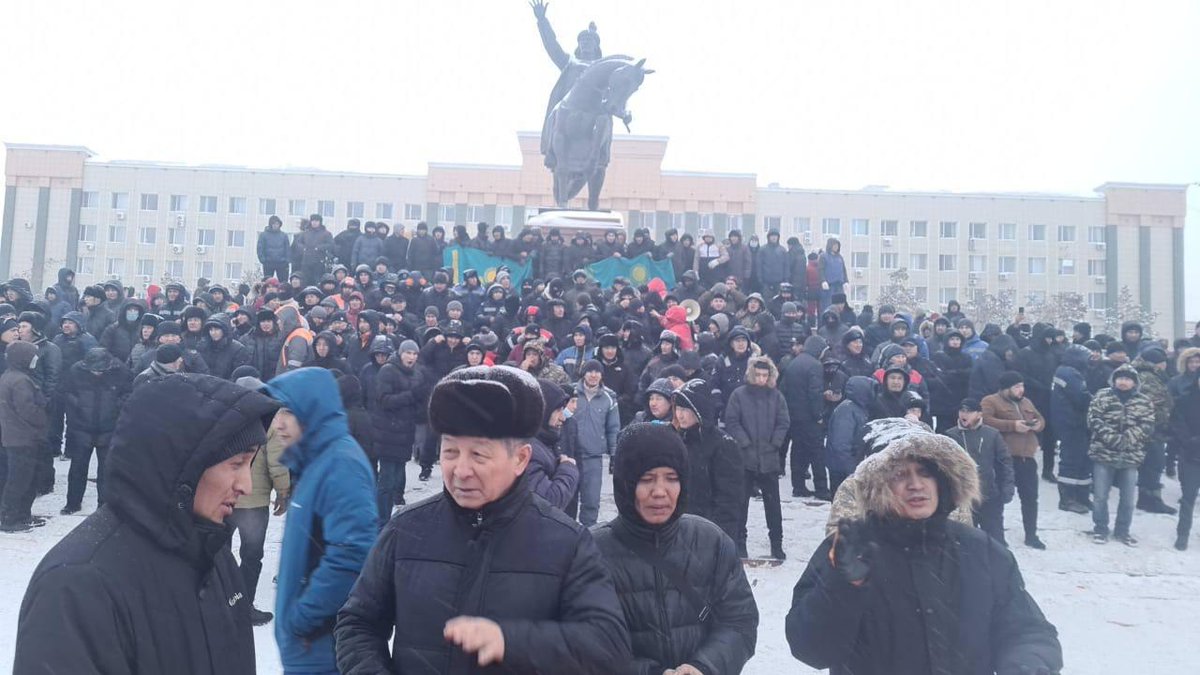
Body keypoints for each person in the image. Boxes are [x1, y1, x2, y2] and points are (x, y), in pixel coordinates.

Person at [335, 365, 631, 674]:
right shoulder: (406, 529)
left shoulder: (566, 542)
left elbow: (608, 648)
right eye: (450, 452)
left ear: (520, 459)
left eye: (479, 455)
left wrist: (511, 641)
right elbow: (358, 623)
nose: (461, 470)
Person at [14, 373, 278, 672]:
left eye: (252, 463)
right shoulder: (75, 587)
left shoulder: (212, 551)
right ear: (179, 462)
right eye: (236, 464)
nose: (245, 484)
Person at [785, 425, 1063, 675]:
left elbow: (1027, 629)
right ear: (878, 487)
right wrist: (842, 587)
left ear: (942, 481)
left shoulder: (981, 550)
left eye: (925, 473)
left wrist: (1027, 662)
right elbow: (811, 650)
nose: (915, 485)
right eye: (899, 475)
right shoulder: (849, 549)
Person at [592, 423, 759, 675]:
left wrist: (704, 665)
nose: (660, 492)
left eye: (672, 478)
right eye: (646, 479)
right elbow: (586, 642)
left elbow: (739, 621)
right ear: (626, 485)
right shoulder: (592, 552)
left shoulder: (711, 541)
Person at [261, 367, 376, 674]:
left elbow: (352, 550)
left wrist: (304, 618)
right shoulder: (316, 461)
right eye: (277, 413)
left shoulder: (340, 464)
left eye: (288, 411)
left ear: (313, 409)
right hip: (308, 645)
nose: (279, 424)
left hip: (322, 645)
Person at [227, 374, 291, 626]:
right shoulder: (271, 423)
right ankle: (244, 606)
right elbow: (277, 463)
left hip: (226, 496)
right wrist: (283, 492)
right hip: (254, 500)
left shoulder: (224, 419)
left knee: (218, 552)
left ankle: (219, 601)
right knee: (251, 556)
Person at [723, 356, 790, 560]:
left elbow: (783, 422)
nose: (761, 378)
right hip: (745, 458)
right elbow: (732, 421)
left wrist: (775, 444)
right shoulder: (739, 395)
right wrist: (744, 443)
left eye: (765, 375)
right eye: (758, 374)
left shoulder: (777, 397)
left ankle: (776, 543)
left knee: (773, 506)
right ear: (752, 374)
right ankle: (739, 543)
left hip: (769, 458)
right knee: (741, 504)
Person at [1087, 364, 1156, 546]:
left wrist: (1128, 439)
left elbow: (1147, 425)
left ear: (1134, 382)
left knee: (1127, 498)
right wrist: (1112, 438)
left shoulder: (1143, 401)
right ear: (1114, 379)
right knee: (1100, 495)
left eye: (1127, 379)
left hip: (1130, 456)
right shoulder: (1102, 396)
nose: (1123, 382)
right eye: (1120, 378)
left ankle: (1122, 530)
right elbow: (1093, 419)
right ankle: (1100, 529)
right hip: (1104, 453)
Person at [59, 347, 132, 515]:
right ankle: (73, 502)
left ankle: (104, 504)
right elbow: (67, 393)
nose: (97, 374)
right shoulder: (76, 371)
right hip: (82, 427)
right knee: (77, 468)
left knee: (106, 469)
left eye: (101, 371)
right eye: (94, 370)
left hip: (109, 427)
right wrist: (77, 408)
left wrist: (116, 407)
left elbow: (128, 393)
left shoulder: (121, 371)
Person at [671, 378, 743, 544]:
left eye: (685, 409)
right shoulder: (677, 439)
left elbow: (729, 498)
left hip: (709, 530)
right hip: (679, 528)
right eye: (678, 408)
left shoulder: (723, 444)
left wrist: (720, 536)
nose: (679, 415)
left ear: (699, 410)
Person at [982, 372, 1048, 549]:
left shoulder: (1026, 402)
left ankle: (1031, 534)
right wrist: (1012, 426)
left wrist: (1036, 425)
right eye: (1017, 387)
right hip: (1004, 459)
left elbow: (1041, 419)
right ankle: (998, 536)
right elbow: (985, 421)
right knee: (998, 499)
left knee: (1030, 498)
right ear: (1005, 389)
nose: (1021, 390)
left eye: (1022, 386)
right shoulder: (990, 401)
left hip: (1027, 458)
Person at [371, 340, 429, 520]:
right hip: (388, 433)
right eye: (408, 353)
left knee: (397, 480)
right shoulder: (388, 370)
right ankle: (381, 521)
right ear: (400, 353)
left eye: (415, 354)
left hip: (405, 433)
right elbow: (384, 400)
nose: (411, 357)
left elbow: (417, 406)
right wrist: (412, 396)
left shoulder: (417, 373)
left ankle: (388, 518)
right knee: (386, 482)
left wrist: (423, 402)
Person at [945, 397, 1015, 543]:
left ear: (979, 414)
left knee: (995, 540)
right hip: (963, 499)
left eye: (969, 411)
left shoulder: (992, 434)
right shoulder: (950, 435)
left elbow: (1005, 463)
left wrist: (1007, 488)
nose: (964, 414)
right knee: (965, 541)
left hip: (989, 496)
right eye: (962, 411)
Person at [0, 341, 48, 532]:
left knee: (22, 479)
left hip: (14, 437)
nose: (36, 359)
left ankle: (21, 515)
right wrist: (43, 415)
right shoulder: (21, 381)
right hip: (24, 438)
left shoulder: (8, 376)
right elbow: (28, 410)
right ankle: (11, 519)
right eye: (32, 355)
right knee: (21, 480)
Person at [569, 359, 621, 526]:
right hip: (570, 455)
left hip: (593, 457)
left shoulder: (609, 397)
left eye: (597, 371)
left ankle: (589, 534)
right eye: (589, 371)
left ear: (601, 375)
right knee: (568, 499)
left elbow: (613, 428)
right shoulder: (571, 392)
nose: (593, 375)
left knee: (591, 501)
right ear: (583, 373)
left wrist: (614, 454)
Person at [780, 335, 830, 499]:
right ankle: (822, 488)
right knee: (816, 453)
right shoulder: (815, 365)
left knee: (797, 451)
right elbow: (814, 393)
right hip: (809, 417)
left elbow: (784, 389)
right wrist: (819, 415)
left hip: (794, 415)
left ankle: (798, 486)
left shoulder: (794, 362)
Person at [526, 378, 580, 511]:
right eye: (558, 410)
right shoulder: (530, 451)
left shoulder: (544, 441)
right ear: (543, 410)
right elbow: (547, 503)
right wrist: (567, 469)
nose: (562, 417)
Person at [1170, 381, 1200, 550]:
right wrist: (1190, 441)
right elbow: (1176, 422)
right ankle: (1183, 534)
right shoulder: (1186, 399)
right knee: (1188, 498)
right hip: (1191, 455)